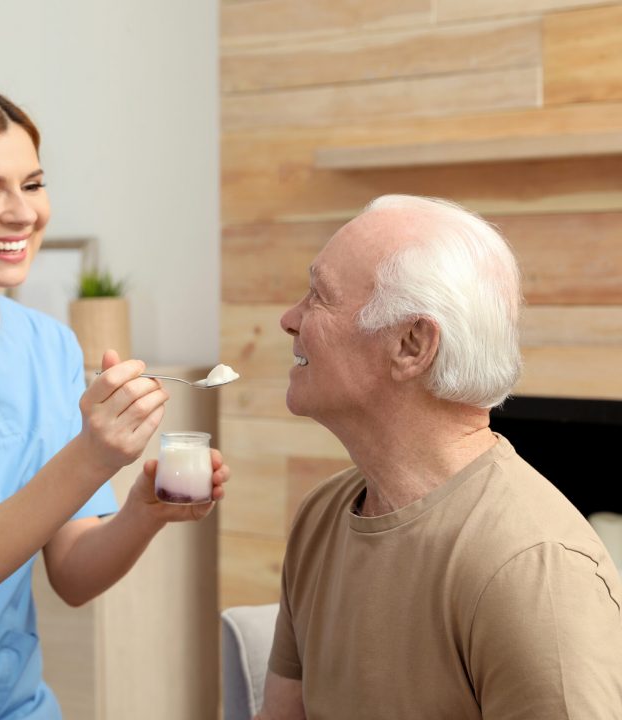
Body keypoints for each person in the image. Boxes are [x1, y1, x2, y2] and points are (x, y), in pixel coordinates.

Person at [0, 82, 229, 719]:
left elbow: (72, 574)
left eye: (33, 183)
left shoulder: (46, 346)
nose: (23, 213)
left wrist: (142, 511)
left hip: (19, 707)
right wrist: (92, 458)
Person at [256, 194, 622, 720]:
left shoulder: (534, 570)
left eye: (319, 296)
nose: (289, 318)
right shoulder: (322, 516)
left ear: (411, 344)